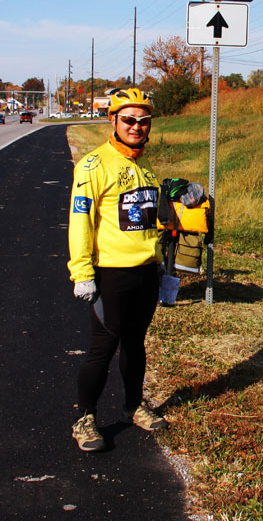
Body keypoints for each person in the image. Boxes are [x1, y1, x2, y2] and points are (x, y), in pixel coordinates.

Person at [68, 87, 169, 452]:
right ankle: (86, 419)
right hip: (110, 272)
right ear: (113, 120)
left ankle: (132, 406)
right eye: (128, 119)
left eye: (143, 121)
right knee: (103, 347)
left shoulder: (145, 166)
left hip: (145, 271)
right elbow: (80, 221)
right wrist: (82, 272)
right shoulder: (93, 165)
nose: (136, 127)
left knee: (135, 344)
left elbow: (151, 217)